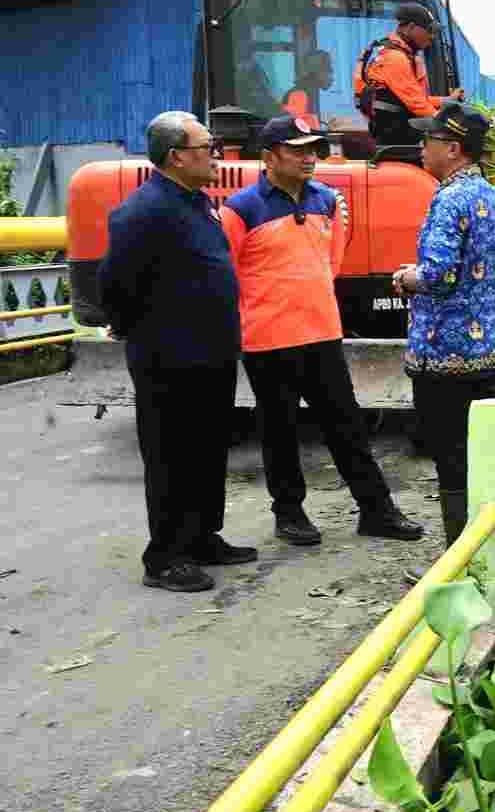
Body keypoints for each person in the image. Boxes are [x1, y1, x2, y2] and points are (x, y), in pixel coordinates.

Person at [220, 116, 425, 547]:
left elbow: (331, 263)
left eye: (313, 148)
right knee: (279, 431)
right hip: (266, 342)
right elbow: (227, 275)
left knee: (347, 425)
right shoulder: (239, 210)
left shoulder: (327, 202)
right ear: (270, 155)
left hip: (322, 335)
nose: (309, 157)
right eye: (297, 149)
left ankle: (376, 510)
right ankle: (289, 514)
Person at [98, 112, 252, 592]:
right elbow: (115, 287)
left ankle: (202, 536)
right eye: (207, 147)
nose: (216, 155)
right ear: (176, 157)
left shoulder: (196, 203)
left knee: (207, 451)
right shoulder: (143, 212)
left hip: (211, 353)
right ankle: (164, 557)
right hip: (169, 359)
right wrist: (136, 331)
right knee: (171, 457)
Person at [390, 102, 495, 546]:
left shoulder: (449, 198)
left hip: (445, 354)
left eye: (429, 140)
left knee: (451, 457)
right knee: (476, 454)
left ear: (454, 148)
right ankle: (479, 546)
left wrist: (406, 277)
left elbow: (439, 276)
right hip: (485, 350)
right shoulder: (490, 196)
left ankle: (457, 557)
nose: (422, 147)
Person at [352, 4, 464, 147]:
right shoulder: (395, 58)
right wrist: (450, 124)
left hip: (393, 131)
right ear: (411, 27)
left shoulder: (391, 52)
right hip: (395, 137)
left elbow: (413, 98)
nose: (432, 37)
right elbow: (417, 104)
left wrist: (446, 101)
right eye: (430, 30)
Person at [281, 50, 334, 130]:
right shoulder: (299, 95)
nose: (332, 73)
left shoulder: (309, 93)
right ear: (316, 72)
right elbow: (300, 134)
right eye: (328, 69)